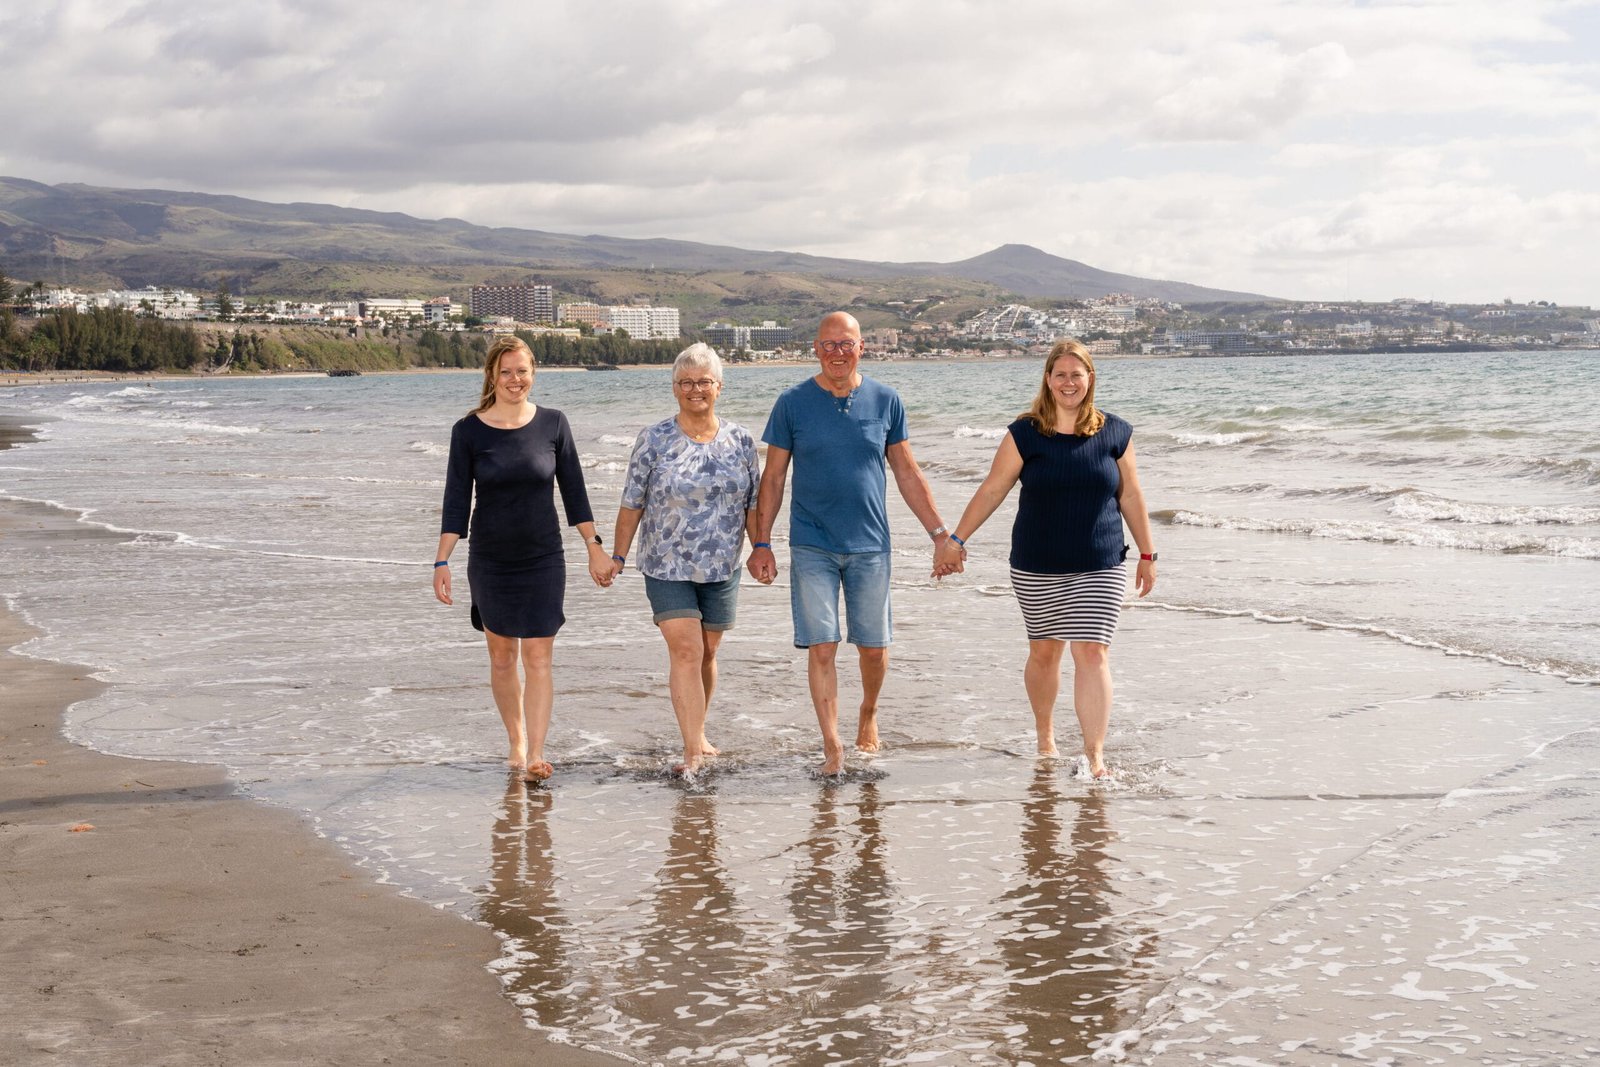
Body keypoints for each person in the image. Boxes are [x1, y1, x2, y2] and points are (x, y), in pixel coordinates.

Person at [933, 339, 1155, 777]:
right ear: (1048, 380)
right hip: (1037, 564)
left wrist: (1147, 553)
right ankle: (1045, 735)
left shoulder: (1116, 433)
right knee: (1044, 653)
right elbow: (993, 489)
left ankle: (1095, 756)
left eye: (1077, 374)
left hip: (1101, 562)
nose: (1069, 383)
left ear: (1090, 379)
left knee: (1092, 652)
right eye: (1061, 375)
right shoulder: (1025, 433)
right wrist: (955, 540)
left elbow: (1130, 494)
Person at [747, 311, 952, 776]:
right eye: (828, 345)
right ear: (815, 349)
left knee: (873, 648)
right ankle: (832, 744)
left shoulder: (886, 400)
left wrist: (940, 535)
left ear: (862, 348)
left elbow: (907, 472)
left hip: (870, 544)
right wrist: (761, 542)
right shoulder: (791, 403)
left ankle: (869, 712)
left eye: (846, 344)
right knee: (822, 645)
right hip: (811, 543)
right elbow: (773, 478)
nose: (837, 353)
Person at [433, 335, 612, 783]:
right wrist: (442, 561)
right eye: (507, 372)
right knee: (501, 657)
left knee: (538, 656)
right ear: (492, 375)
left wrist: (594, 546)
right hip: (490, 559)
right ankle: (515, 741)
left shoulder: (553, 423)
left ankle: (535, 752)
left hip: (543, 557)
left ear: (534, 373)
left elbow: (574, 493)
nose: (515, 380)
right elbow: (456, 501)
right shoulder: (468, 431)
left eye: (522, 371)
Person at [608, 343, 762, 776]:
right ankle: (691, 751)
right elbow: (632, 502)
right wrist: (617, 555)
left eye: (704, 382)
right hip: (666, 564)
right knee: (687, 650)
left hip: (722, 565)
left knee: (708, 652)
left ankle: (699, 730)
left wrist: (761, 549)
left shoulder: (740, 440)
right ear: (675, 388)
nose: (696, 389)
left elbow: (753, 505)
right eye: (687, 382)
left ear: (720, 387)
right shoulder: (654, 438)